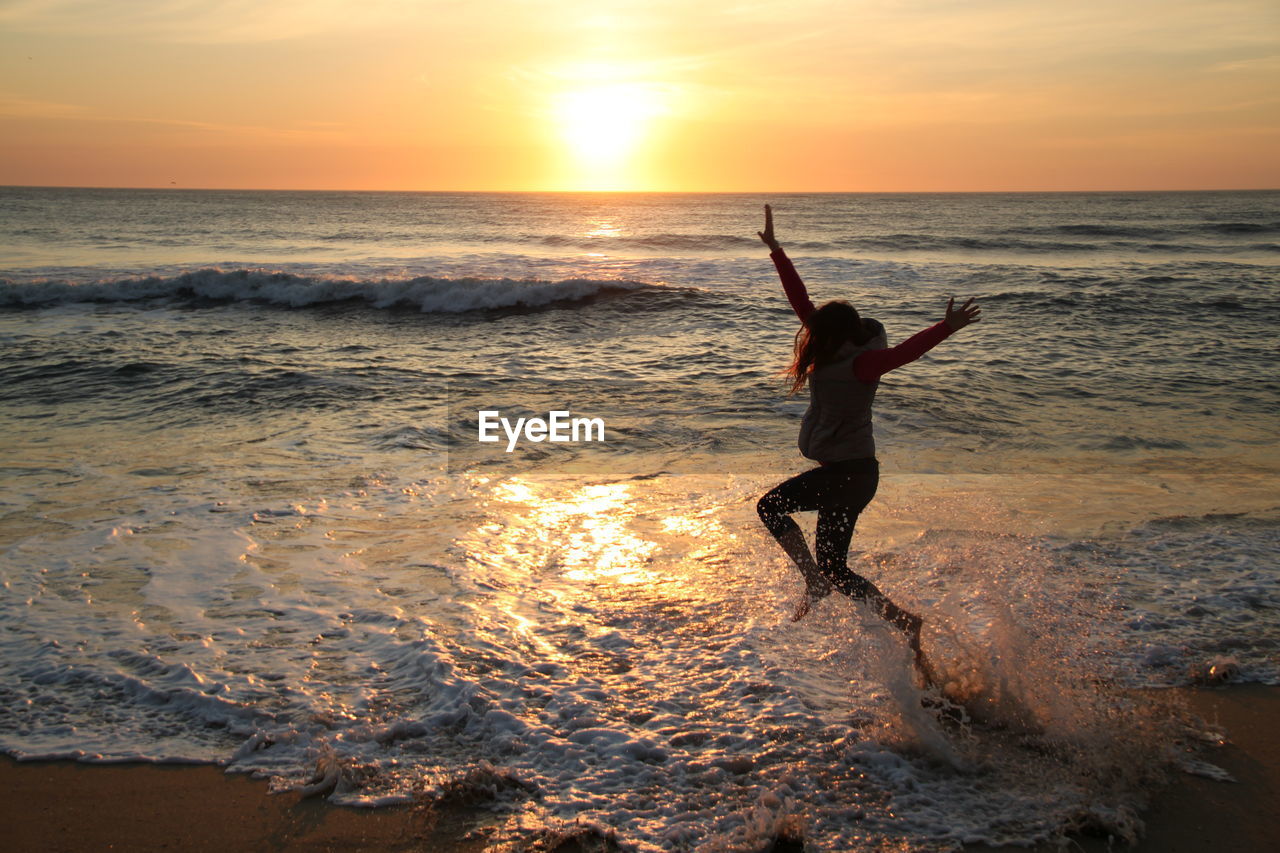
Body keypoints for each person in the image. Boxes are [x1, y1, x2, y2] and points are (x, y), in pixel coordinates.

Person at [755, 204, 981, 683]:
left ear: (834, 335)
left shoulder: (861, 365)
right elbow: (801, 301)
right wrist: (777, 251)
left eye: (818, 330)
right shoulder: (838, 349)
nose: (809, 332)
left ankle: (814, 582)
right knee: (837, 566)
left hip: (849, 474)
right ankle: (903, 621)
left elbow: (905, 353)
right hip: (853, 475)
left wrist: (947, 328)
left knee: (771, 507)